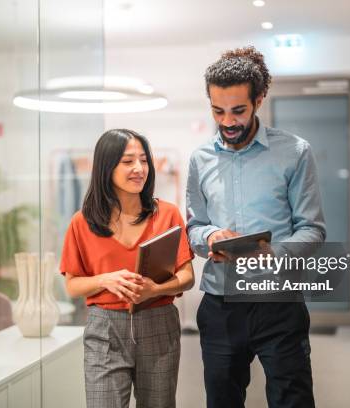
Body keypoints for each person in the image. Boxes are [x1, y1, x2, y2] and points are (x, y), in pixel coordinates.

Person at [186, 46, 326, 408]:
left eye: (238, 110)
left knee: (291, 401)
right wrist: (210, 236)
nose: (228, 121)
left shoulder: (295, 152)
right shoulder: (200, 160)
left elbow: (312, 229)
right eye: (218, 111)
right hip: (220, 306)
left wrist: (273, 253)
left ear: (259, 99)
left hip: (278, 303)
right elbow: (194, 226)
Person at [60, 128, 194, 408]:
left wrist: (155, 289)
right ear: (106, 167)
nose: (139, 169)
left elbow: (186, 277)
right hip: (105, 329)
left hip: (159, 322)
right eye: (128, 161)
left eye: (143, 160)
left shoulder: (167, 213)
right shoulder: (81, 222)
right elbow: (72, 285)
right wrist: (105, 280)